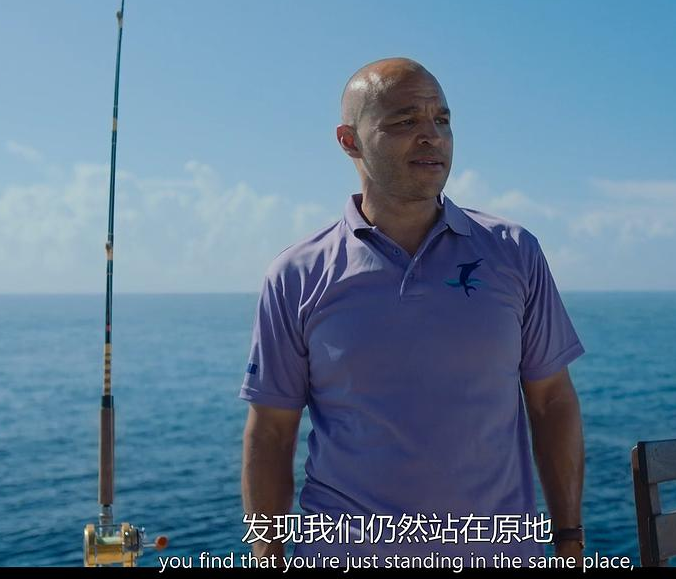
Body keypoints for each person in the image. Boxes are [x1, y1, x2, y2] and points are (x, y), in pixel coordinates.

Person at [239, 57, 586, 568]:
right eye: (405, 121)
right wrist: (266, 557)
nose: (432, 136)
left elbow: (552, 401)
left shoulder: (513, 252)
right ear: (350, 141)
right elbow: (271, 431)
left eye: (441, 120)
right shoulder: (296, 275)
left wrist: (569, 541)